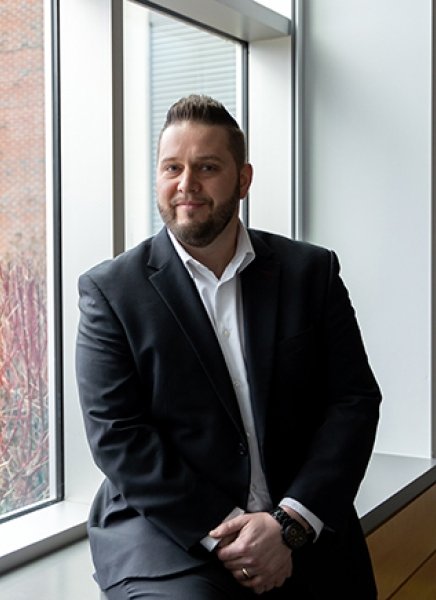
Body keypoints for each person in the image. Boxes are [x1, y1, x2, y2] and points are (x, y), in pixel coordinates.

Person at [76, 94, 381, 599]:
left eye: (207, 167)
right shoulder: (110, 291)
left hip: (298, 518)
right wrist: (231, 531)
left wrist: (288, 524)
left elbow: (353, 401)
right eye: (172, 167)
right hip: (168, 534)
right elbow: (117, 436)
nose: (186, 184)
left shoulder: (312, 272)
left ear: (243, 179)